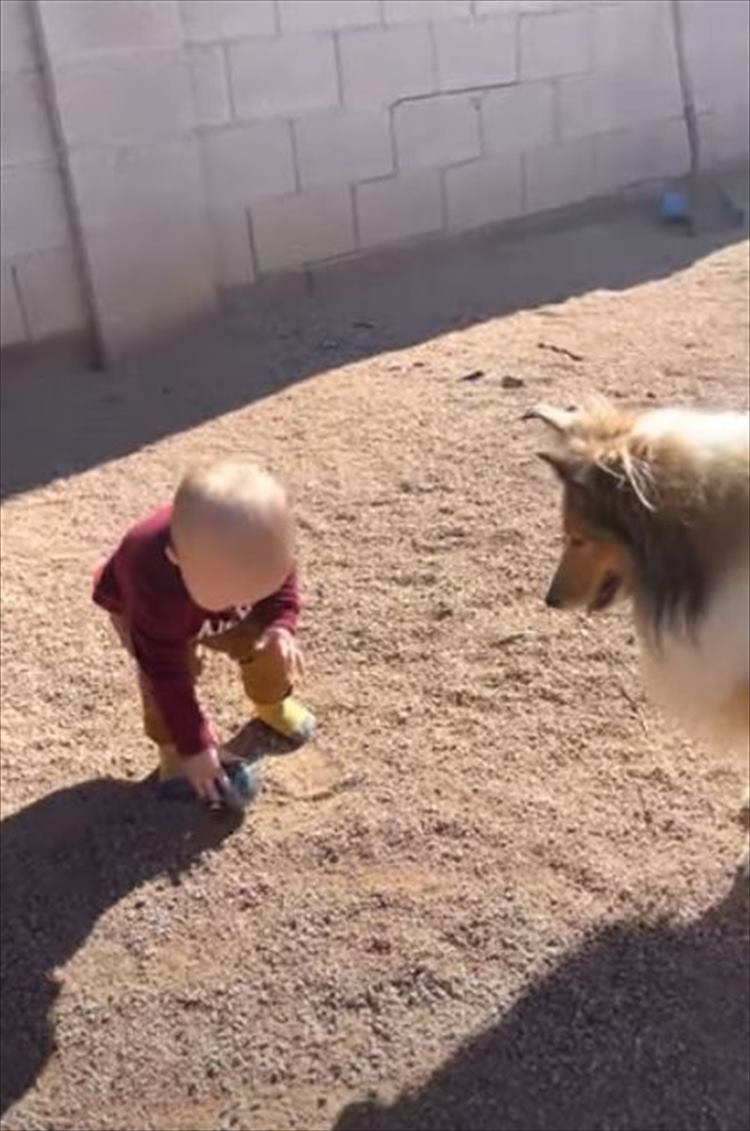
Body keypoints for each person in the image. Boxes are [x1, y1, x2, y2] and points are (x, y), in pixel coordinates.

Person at [93, 459, 315, 806]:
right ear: (177, 559)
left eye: (255, 591)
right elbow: (167, 675)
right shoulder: (153, 588)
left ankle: (271, 702)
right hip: (147, 613)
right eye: (232, 596)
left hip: (200, 595)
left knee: (263, 639)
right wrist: (193, 746)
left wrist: (281, 623)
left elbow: (282, 581)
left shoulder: (258, 547)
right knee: (161, 683)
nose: (244, 603)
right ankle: (173, 753)